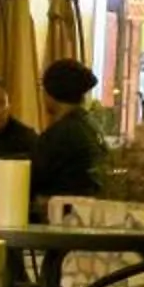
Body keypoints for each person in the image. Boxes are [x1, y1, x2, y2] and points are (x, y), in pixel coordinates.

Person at [32, 58, 108, 206]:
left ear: (51, 92)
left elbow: (33, 175)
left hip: (62, 215)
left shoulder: (60, 135)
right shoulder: (92, 127)